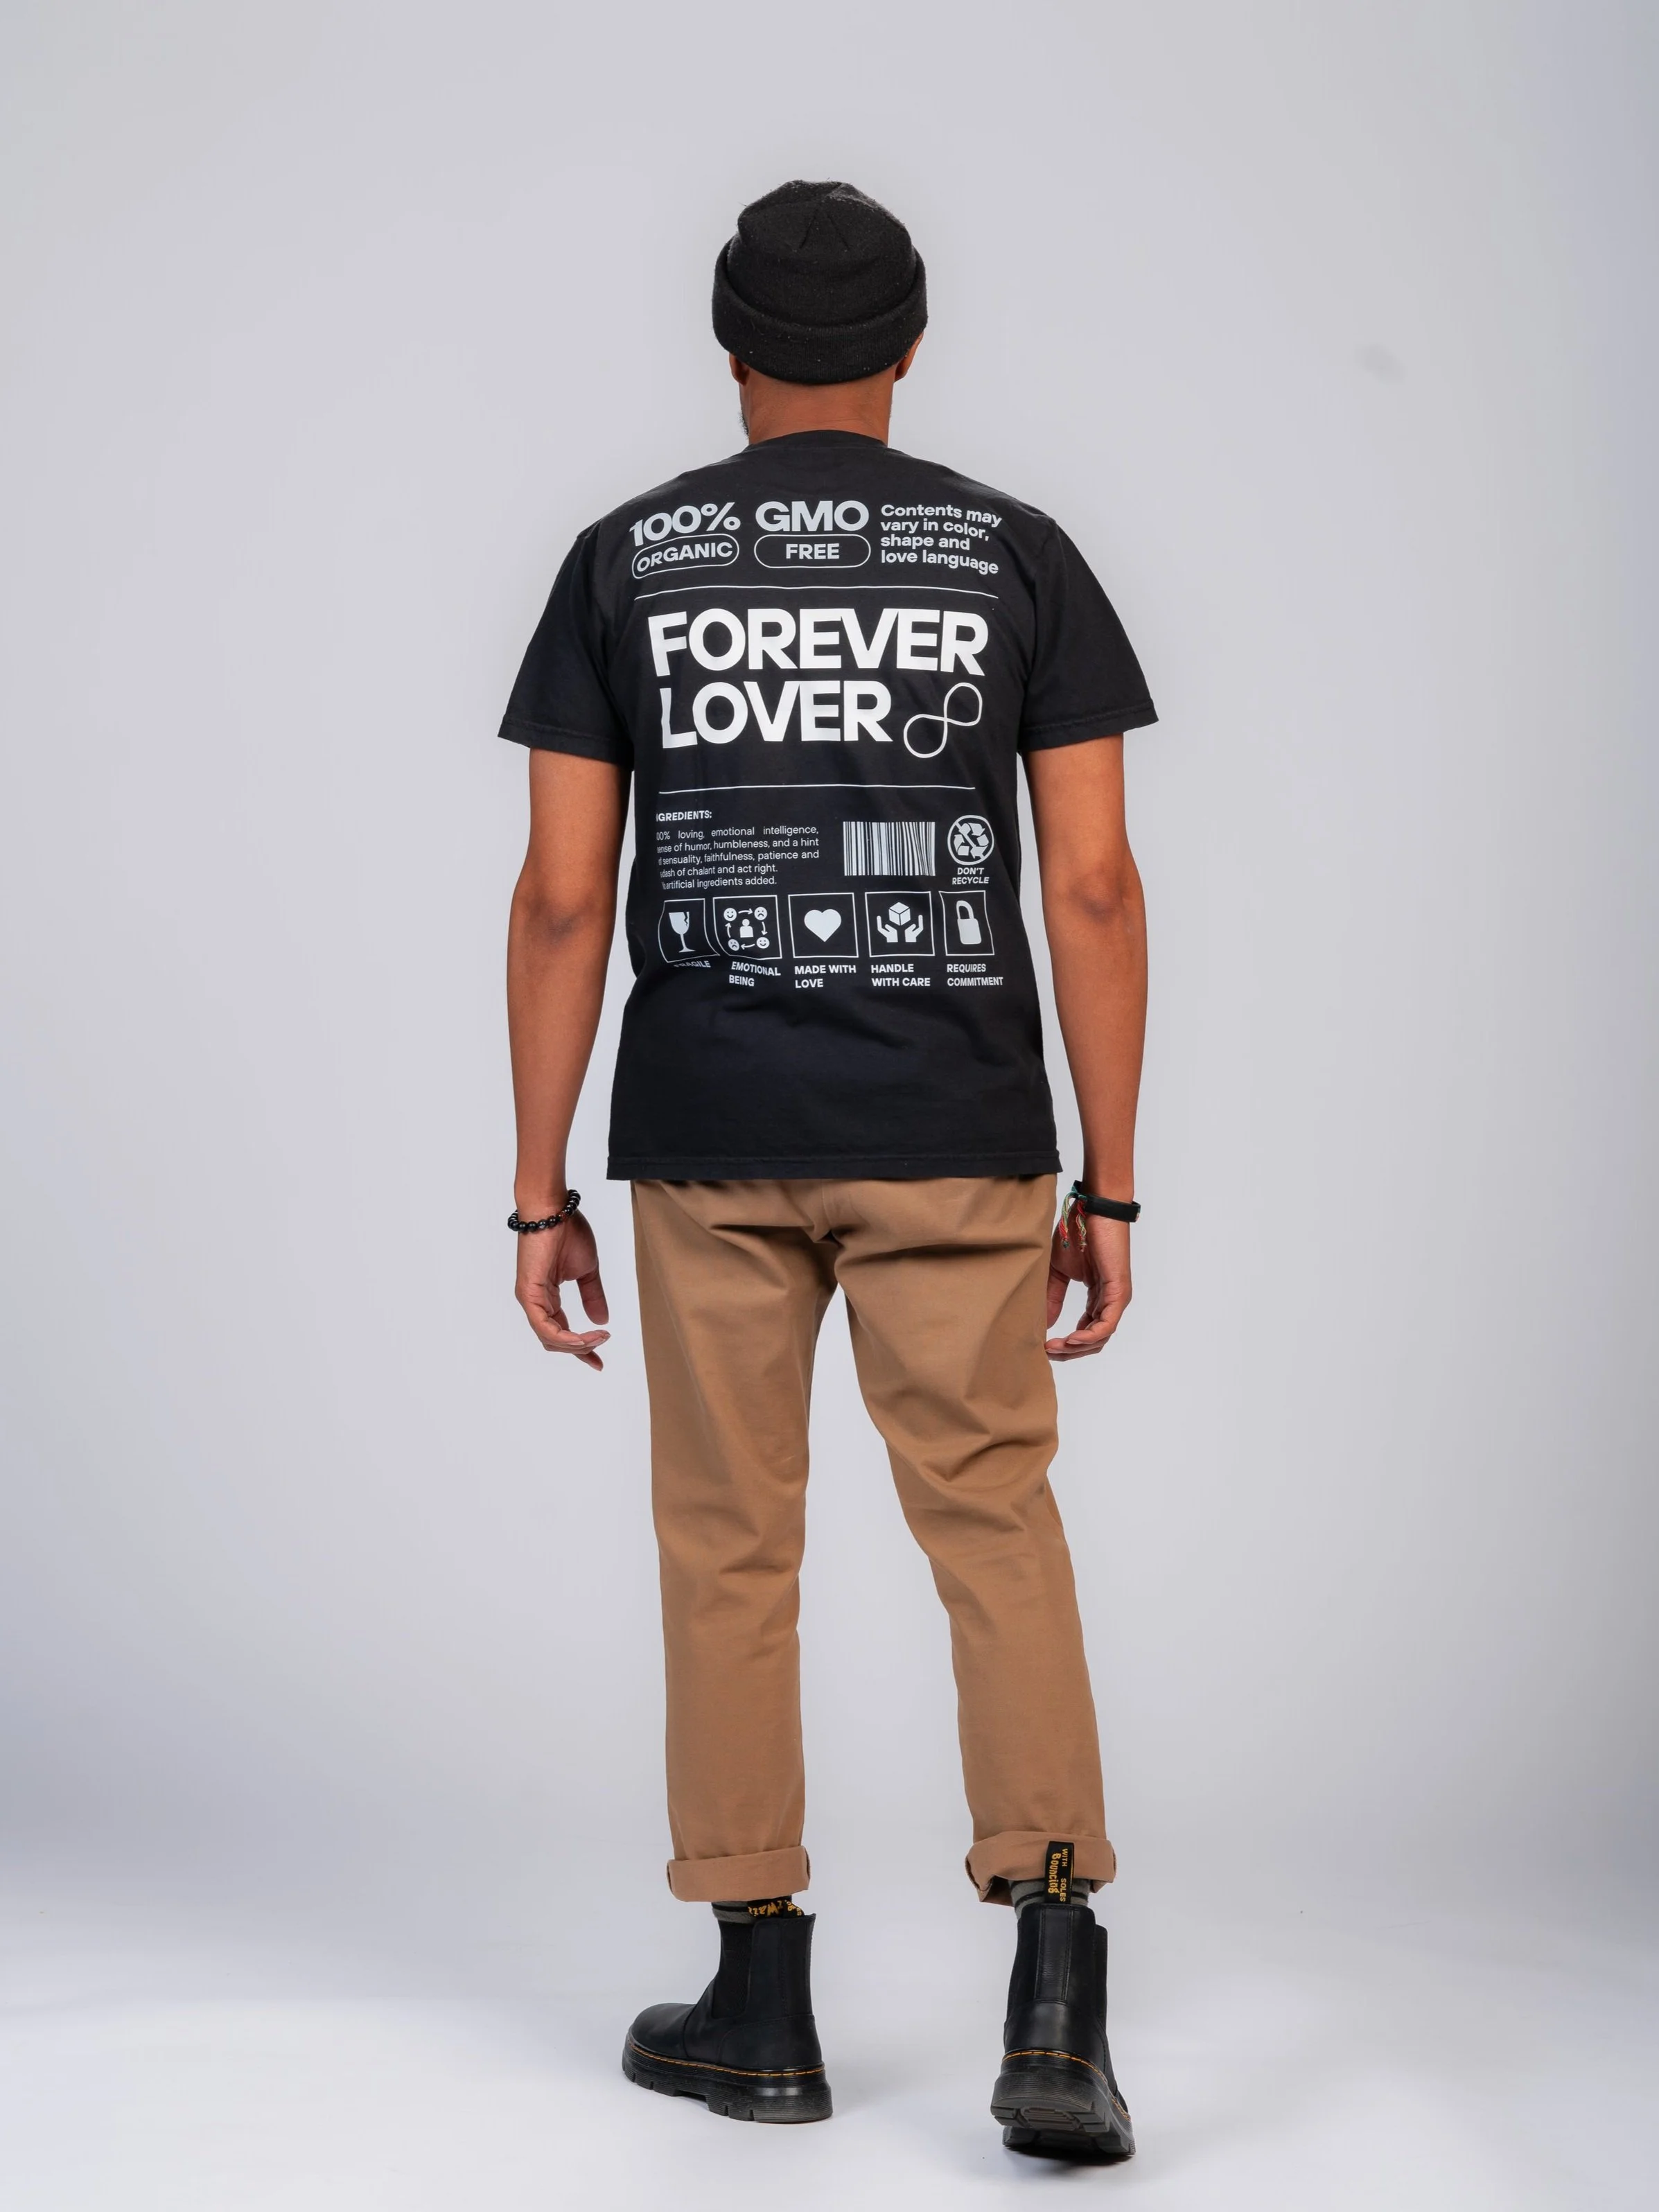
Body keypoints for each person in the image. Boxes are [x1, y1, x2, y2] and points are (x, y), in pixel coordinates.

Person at [500, 179, 1155, 2161]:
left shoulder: (627, 561)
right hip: (957, 1127)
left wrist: (538, 1192)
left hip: (710, 1128)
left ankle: (760, 1999)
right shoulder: (1016, 554)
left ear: (730, 350)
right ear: (910, 348)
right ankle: (1057, 1991)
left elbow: (561, 899)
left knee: (728, 1542)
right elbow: (1095, 886)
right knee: (995, 1520)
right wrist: (1111, 1185)